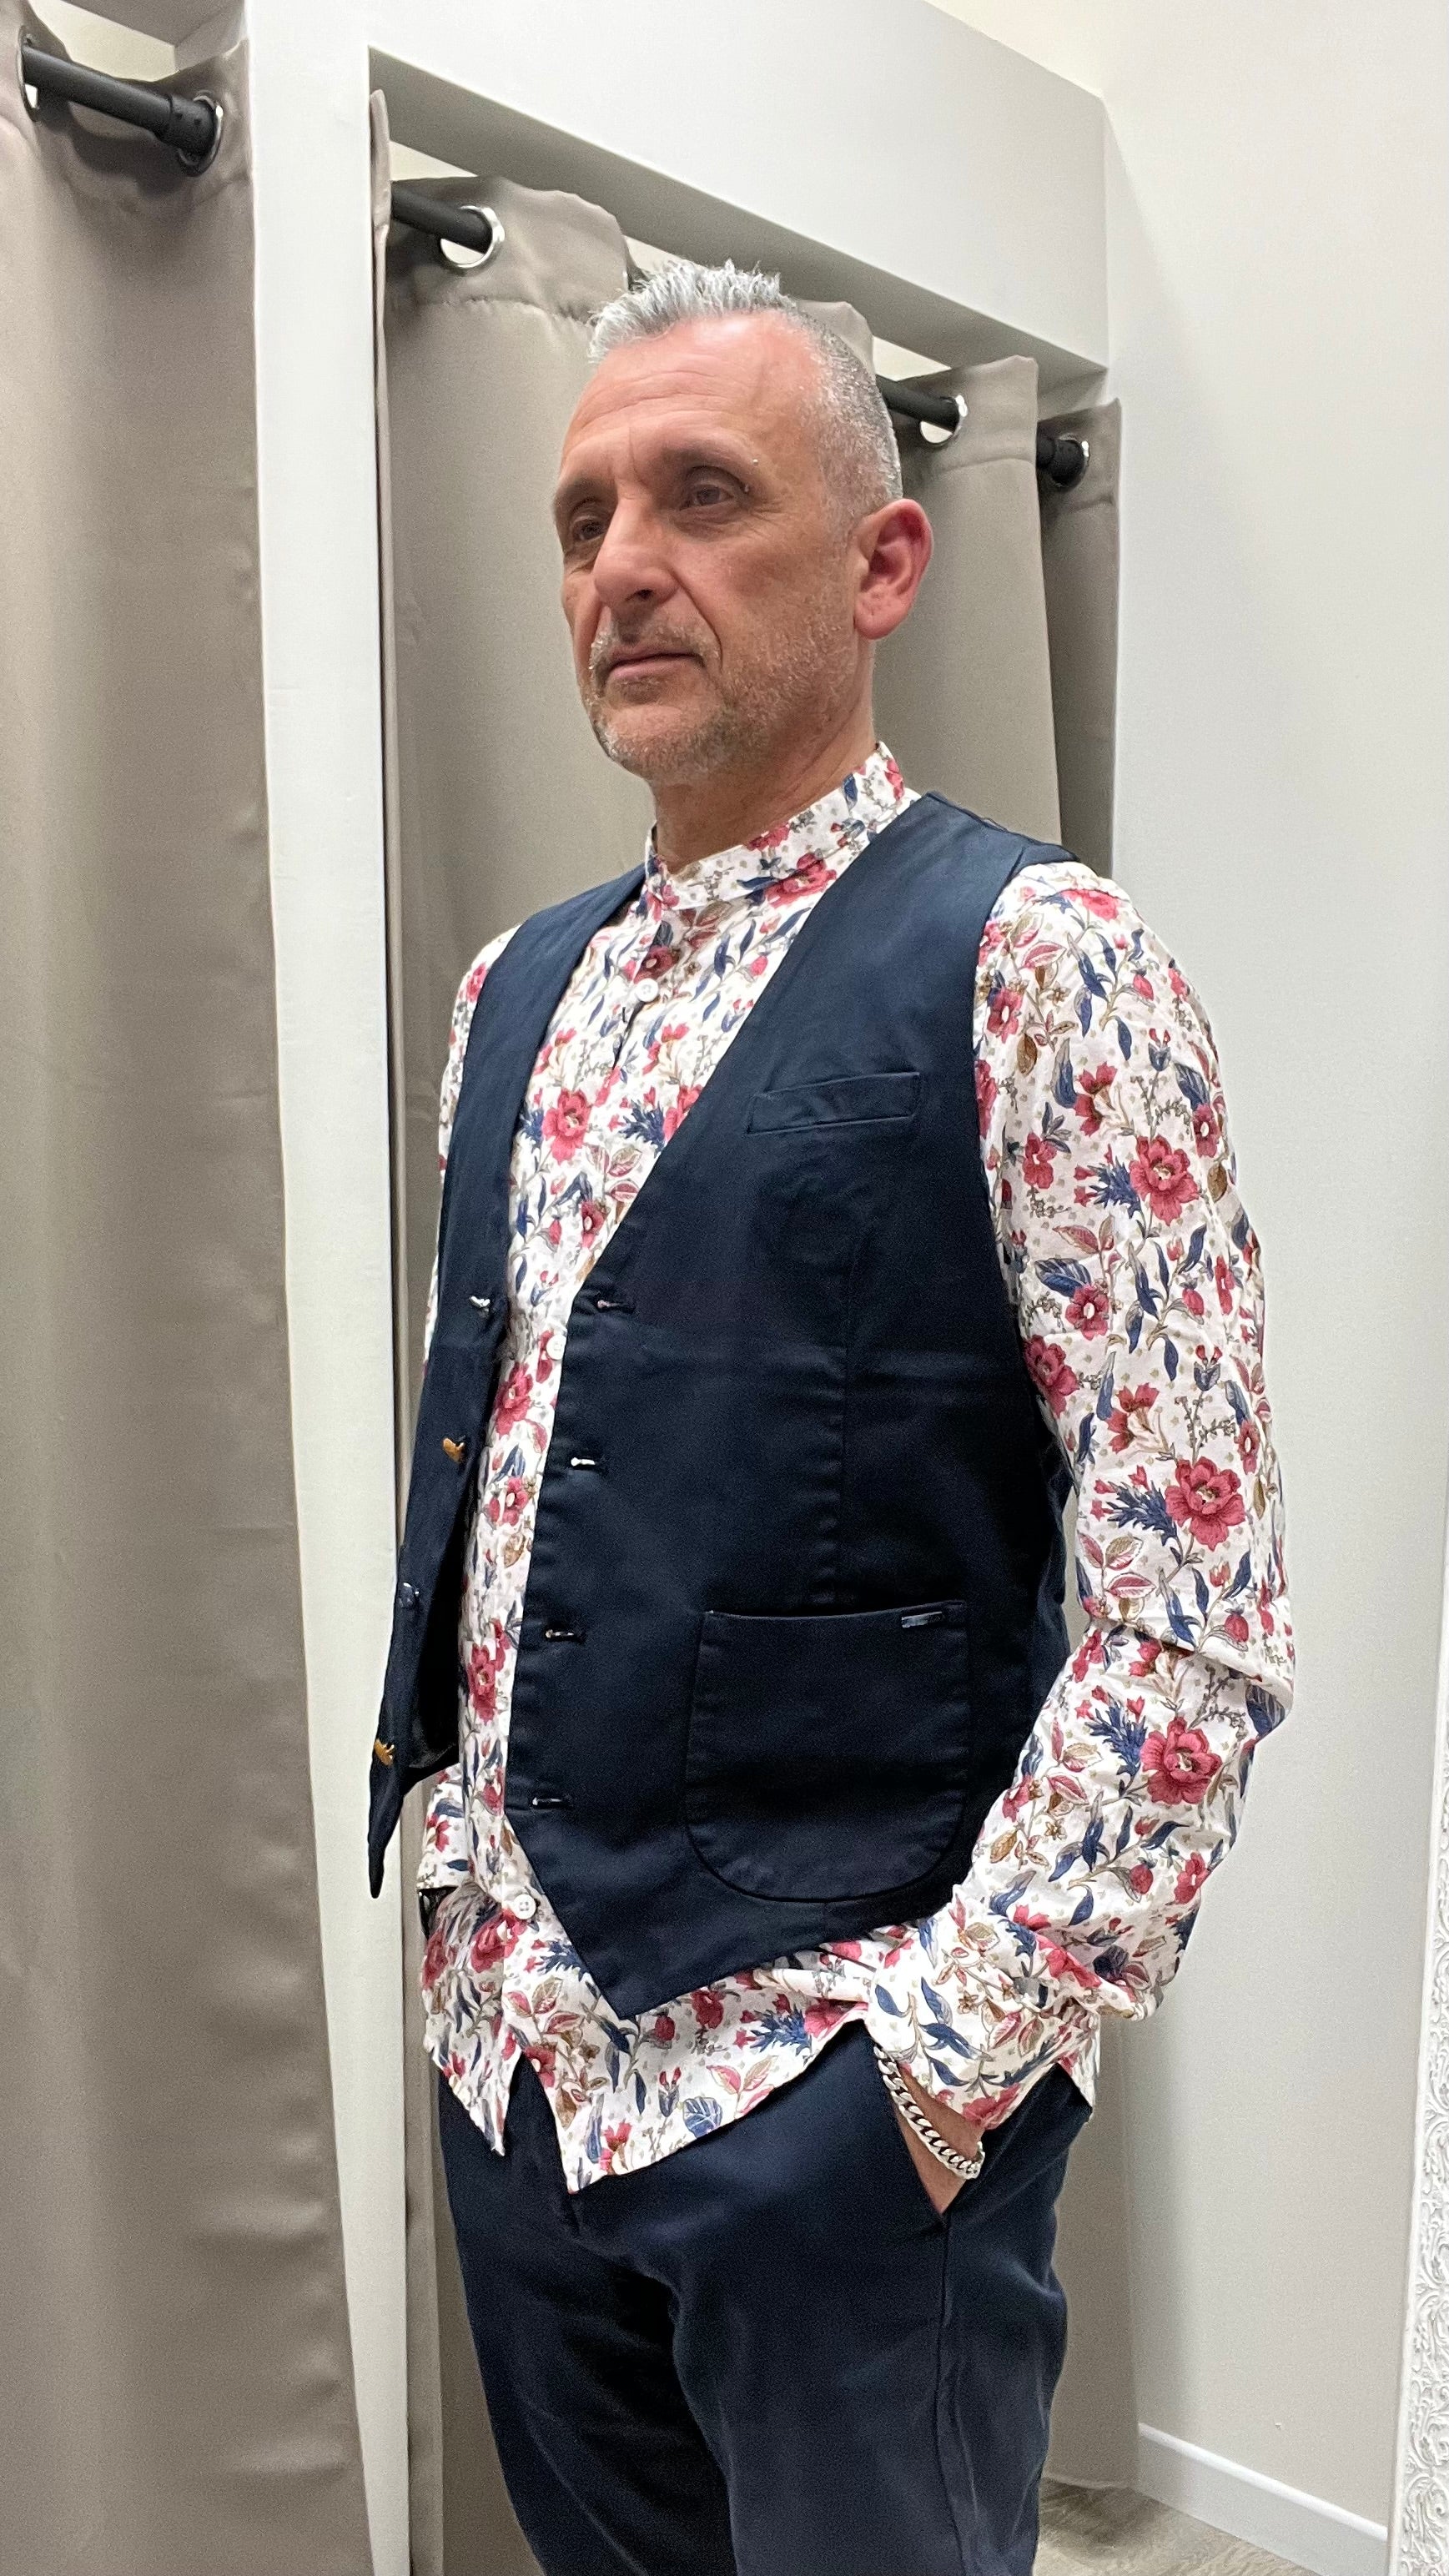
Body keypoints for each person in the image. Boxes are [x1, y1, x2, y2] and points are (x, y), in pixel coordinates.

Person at [367, 261, 1292, 2576]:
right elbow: (521, 1491)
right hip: (520, 2072)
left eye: (701, 496)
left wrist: (931, 2084)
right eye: (583, 517)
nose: (620, 567)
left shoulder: (1043, 966)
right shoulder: (514, 993)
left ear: (884, 564)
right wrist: (462, 1929)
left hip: (840, 2106)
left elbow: (1190, 1612)